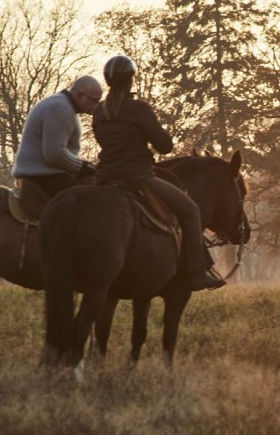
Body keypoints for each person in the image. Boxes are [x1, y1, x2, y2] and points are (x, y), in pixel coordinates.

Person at [91, 55, 224, 291]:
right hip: (137, 177)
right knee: (191, 210)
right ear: (130, 80)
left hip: (103, 178)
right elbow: (165, 146)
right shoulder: (138, 108)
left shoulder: (99, 111)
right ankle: (197, 273)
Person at [12, 75, 103, 198]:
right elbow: (54, 153)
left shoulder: (62, 105)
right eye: (93, 100)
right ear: (79, 94)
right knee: (84, 203)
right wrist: (82, 167)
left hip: (45, 173)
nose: (95, 105)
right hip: (42, 176)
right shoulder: (61, 109)